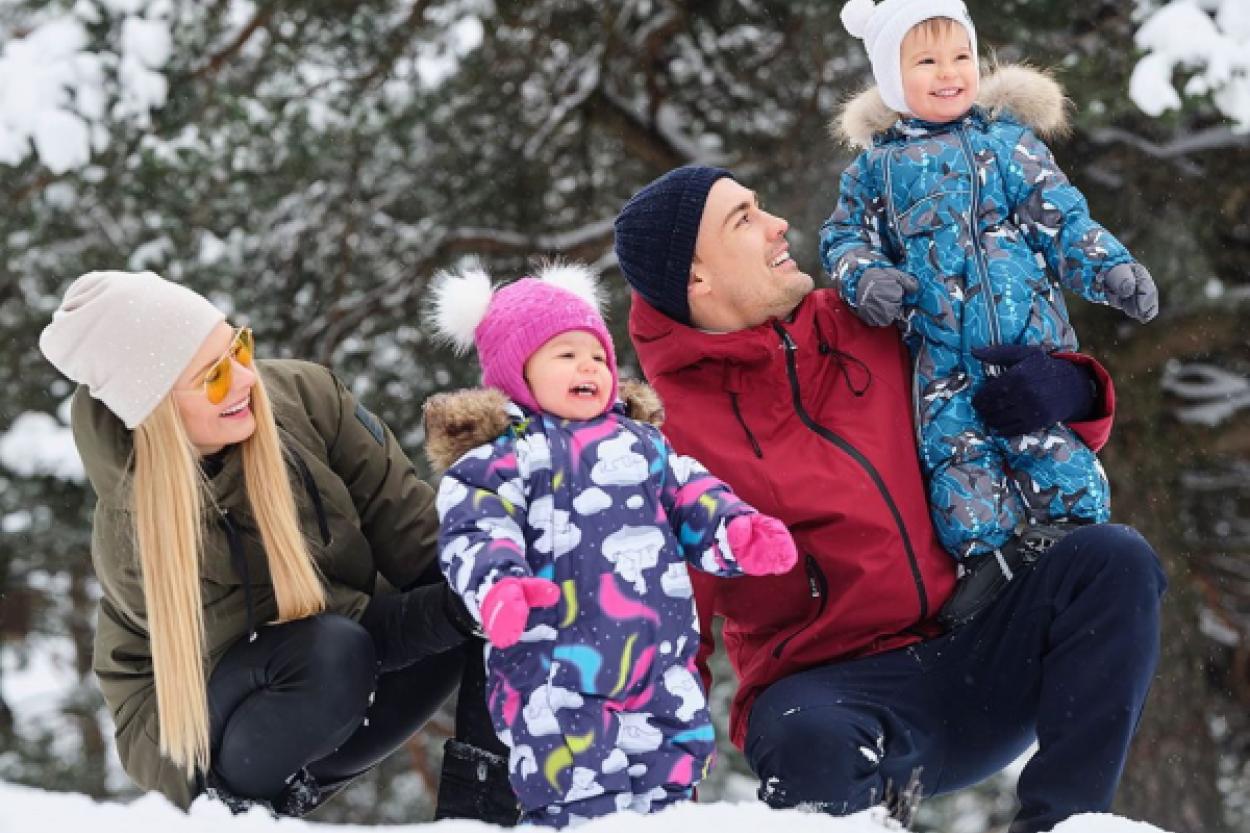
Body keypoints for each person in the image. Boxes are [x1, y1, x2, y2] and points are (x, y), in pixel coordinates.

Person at [612, 165, 1166, 833]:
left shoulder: (869, 319)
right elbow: (668, 635)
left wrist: (1067, 393)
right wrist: (652, 794)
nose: (778, 223)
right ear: (696, 278)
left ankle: (1064, 824)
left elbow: (1024, 419)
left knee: (1113, 560)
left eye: (760, 205)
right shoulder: (665, 435)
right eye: (744, 219)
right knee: (803, 739)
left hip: (973, 643)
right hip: (829, 696)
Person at [37, 270, 516, 822]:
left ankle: (484, 807)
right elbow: (328, 640)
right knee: (335, 653)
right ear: (155, 410)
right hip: (196, 728)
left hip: (337, 665)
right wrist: (456, 611)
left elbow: (425, 545)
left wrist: (492, 577)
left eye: (239, 347)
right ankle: (234, 816)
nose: (244, 379)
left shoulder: (308, 399)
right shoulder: (140, 530)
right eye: (213, 377)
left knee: (485, 575)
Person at [421, 261, 797, 827]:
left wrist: (736, 530)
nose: (589, 366)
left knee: (668, 793)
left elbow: (694, 495)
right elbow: (474, 533)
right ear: (514, 373)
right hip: (555, 674)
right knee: (577, 800)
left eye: (597, 354)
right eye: (565, 354)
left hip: (661, 665)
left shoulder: (644, 446)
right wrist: (499, 588)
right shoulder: (498, 463)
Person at [820, 0, 1159, 570]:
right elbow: (843, 238)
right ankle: (987, 576)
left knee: (1063, 468)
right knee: (962, 480)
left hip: (1030, 355)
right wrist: (866, 277)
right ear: (889, 77)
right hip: (941, 366)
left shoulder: (1009, 145)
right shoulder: (874, 171)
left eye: (961, 56)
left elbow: (1063, 223)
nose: (949, 72)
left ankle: (1077, 556)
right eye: (926, 60)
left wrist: (1111, 270)